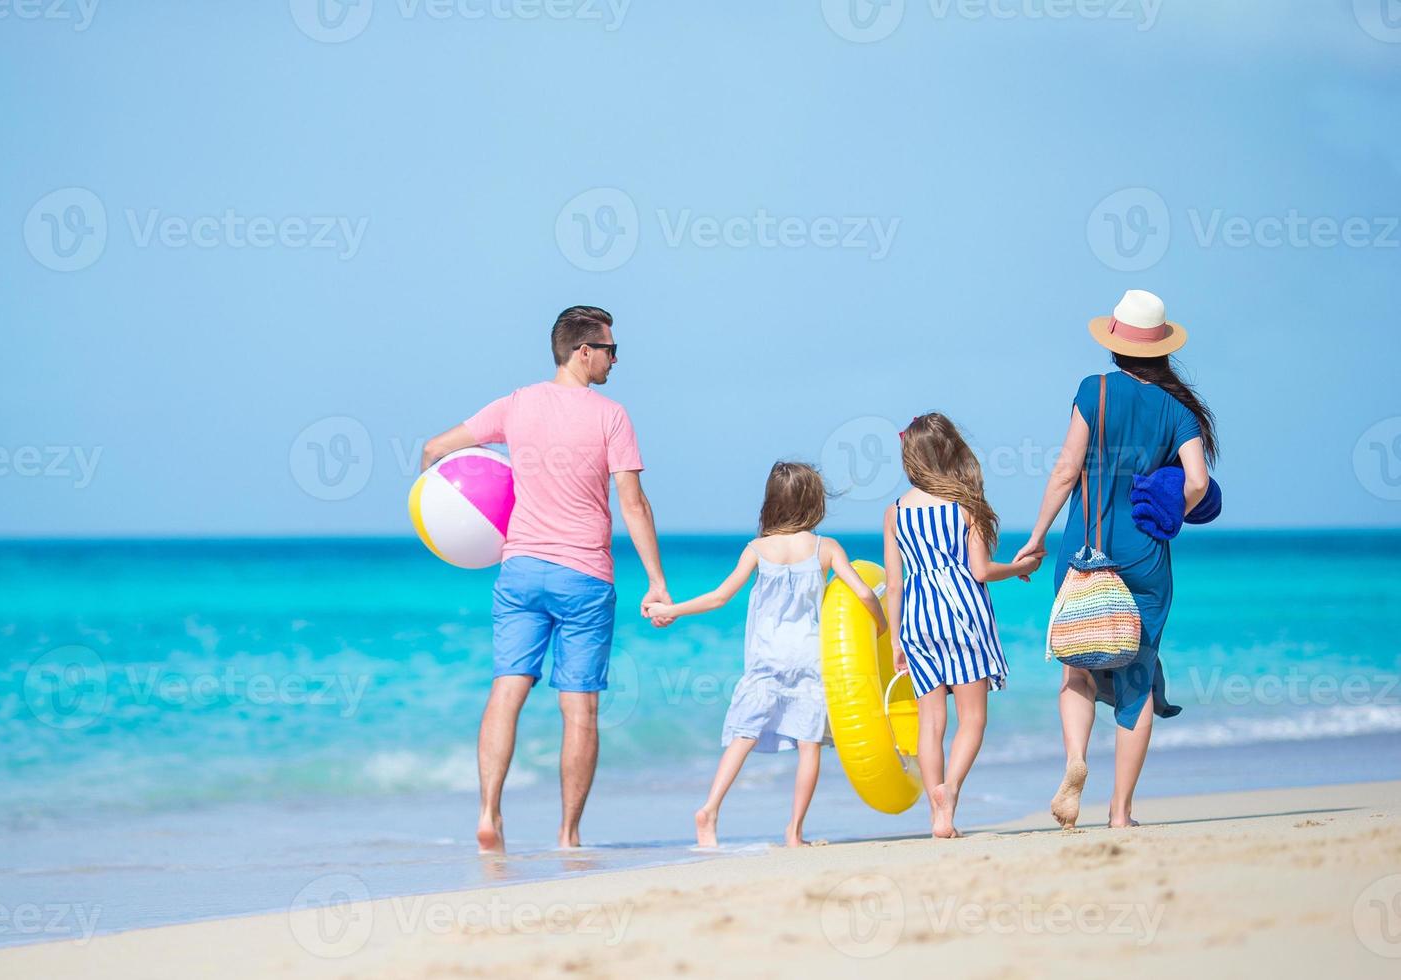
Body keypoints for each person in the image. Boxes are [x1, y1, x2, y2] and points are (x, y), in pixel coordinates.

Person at [421, 306, 671, 853]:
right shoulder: (611, 416)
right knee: (578, 707)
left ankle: (489, 813)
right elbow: (633, 504)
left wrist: (441, 520)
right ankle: (568, 834)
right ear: (584, 351)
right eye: (609, 349)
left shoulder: (514, 405)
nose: (615, 359)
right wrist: (656, 580)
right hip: (583, 575)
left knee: (506, 690)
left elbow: (435, 449)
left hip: (520, 570)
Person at [1012, 290, 1216, 830]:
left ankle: (1077, 761)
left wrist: (1035, 537)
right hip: (1146, 552)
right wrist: (1170, 512)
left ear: (1115, 343)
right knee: (1138, 677)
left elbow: (1065, 471)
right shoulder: (1178, 411)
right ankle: (1121, 813)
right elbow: (1197, 482)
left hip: (1086, 547)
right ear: (1161, 349)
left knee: (1077, 666)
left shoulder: (1093, 391)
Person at [646, 462, 886, 848]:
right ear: (814, 502)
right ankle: (794, 832)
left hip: (766, 658)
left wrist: (669, 610)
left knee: (744, 734)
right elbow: (863, 592)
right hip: (810, 659)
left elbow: (720, 597)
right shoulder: (826, 548)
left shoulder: (757, 549)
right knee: (809, 746)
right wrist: (880, 629)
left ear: (771, 502)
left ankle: (709, 809)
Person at [884, 414, 1040, 839]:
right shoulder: (965, 506)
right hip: (963, 617)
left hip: (918, 620)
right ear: (951, 451)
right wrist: (1020, 567)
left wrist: (896, 637)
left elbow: (893, 584)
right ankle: (949, 793)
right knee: (972, 719)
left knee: (930, 723)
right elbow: (982, 570)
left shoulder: (895, 511)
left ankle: (937, 814)